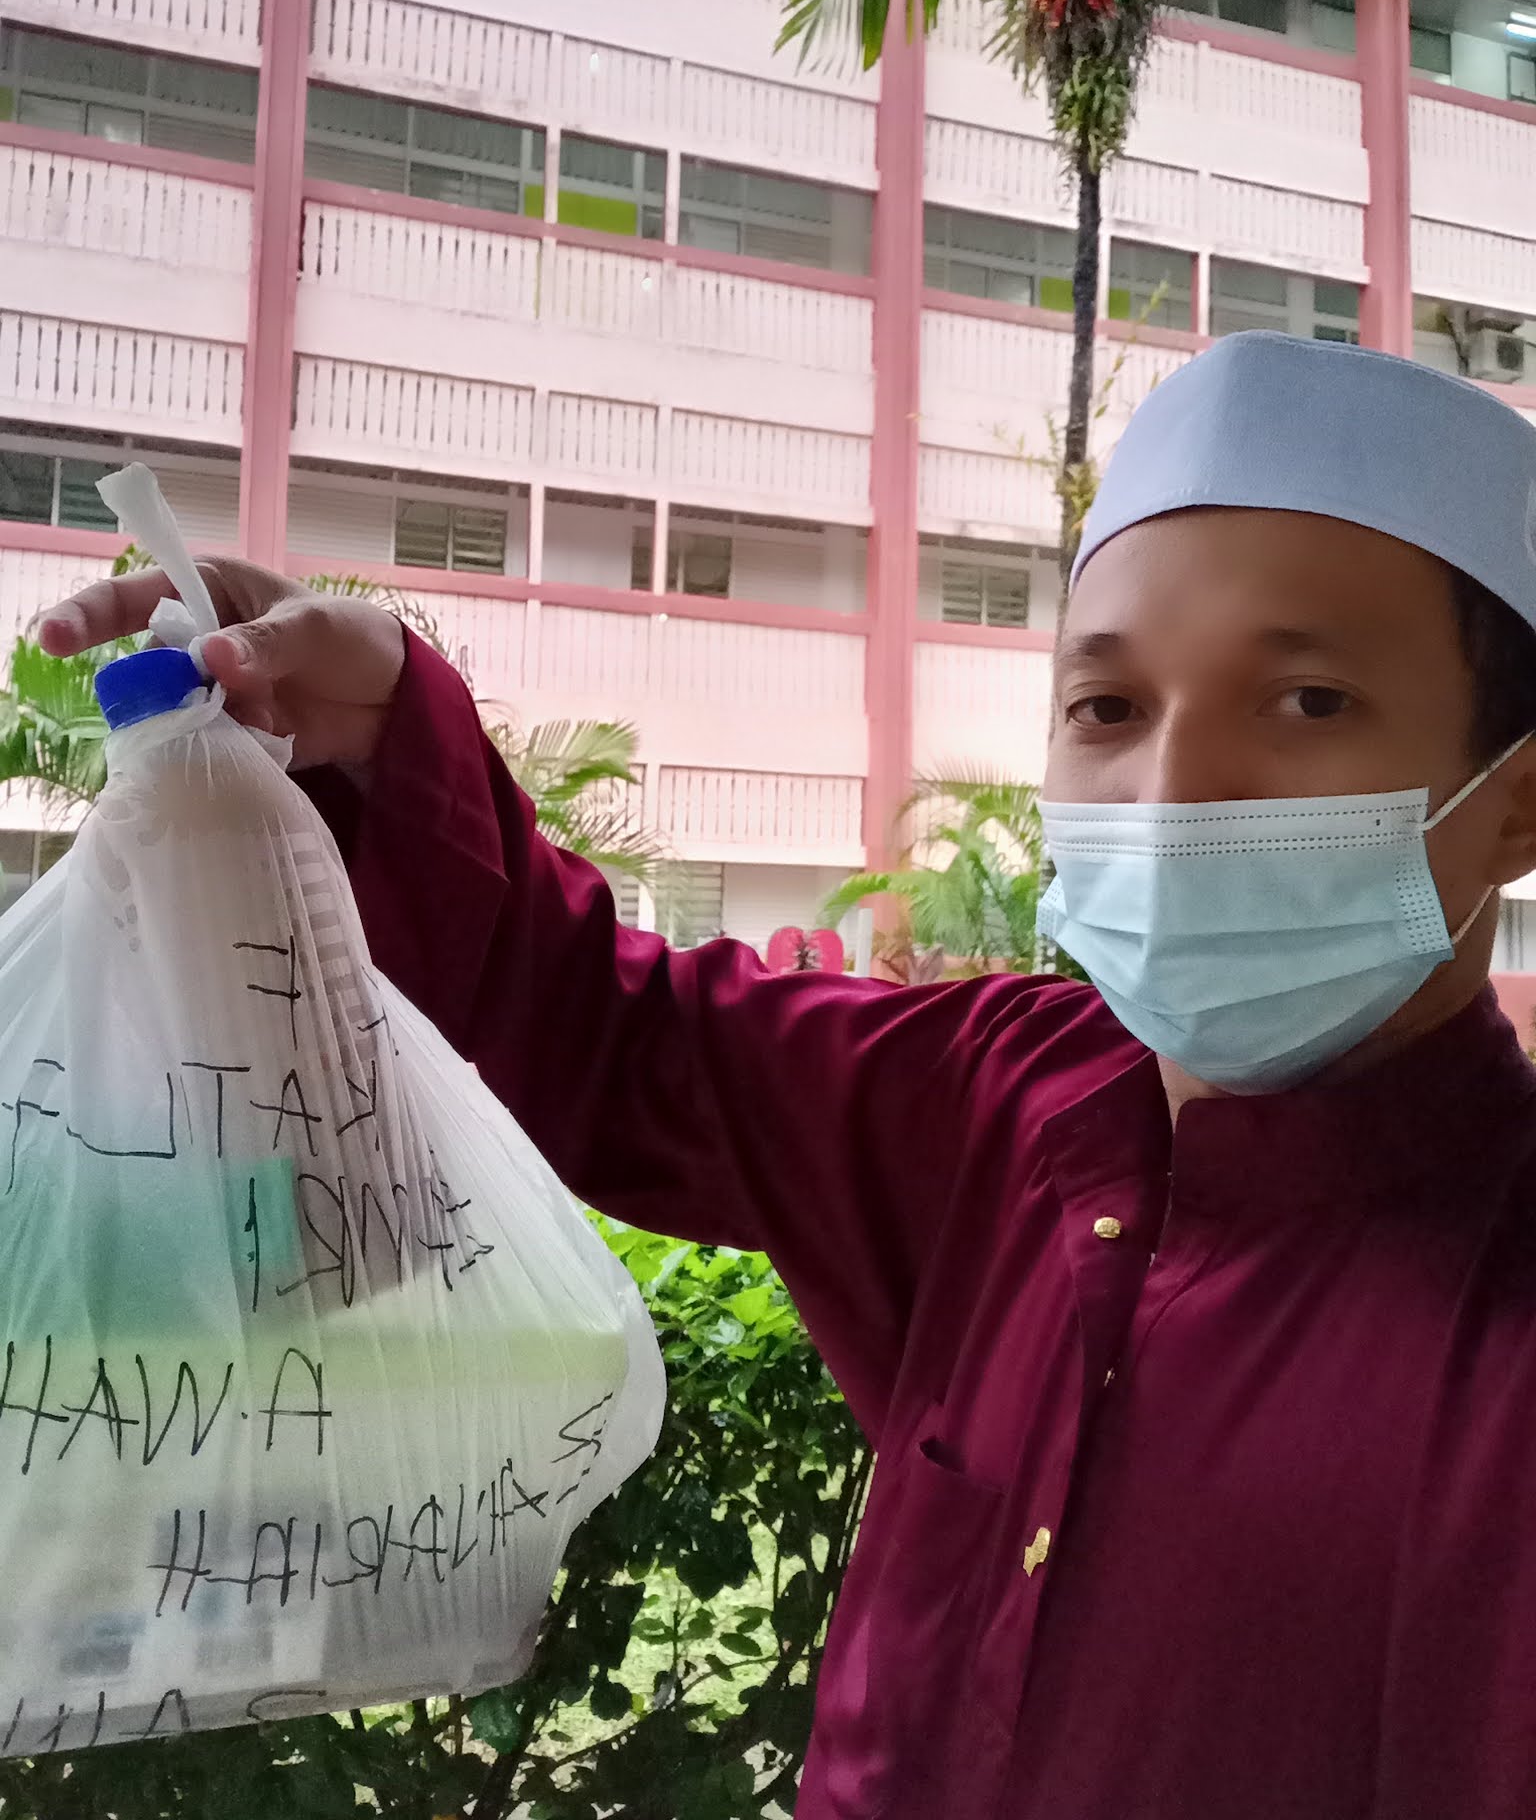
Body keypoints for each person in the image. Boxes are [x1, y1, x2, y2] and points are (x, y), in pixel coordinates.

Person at [41, 329, 1536, 1820]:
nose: (1171, 793)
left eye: (1309, 701)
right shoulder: (1003, 1100)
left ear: (1518, 803)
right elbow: (611, 1033)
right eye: (1109, 709)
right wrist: (379, 742)